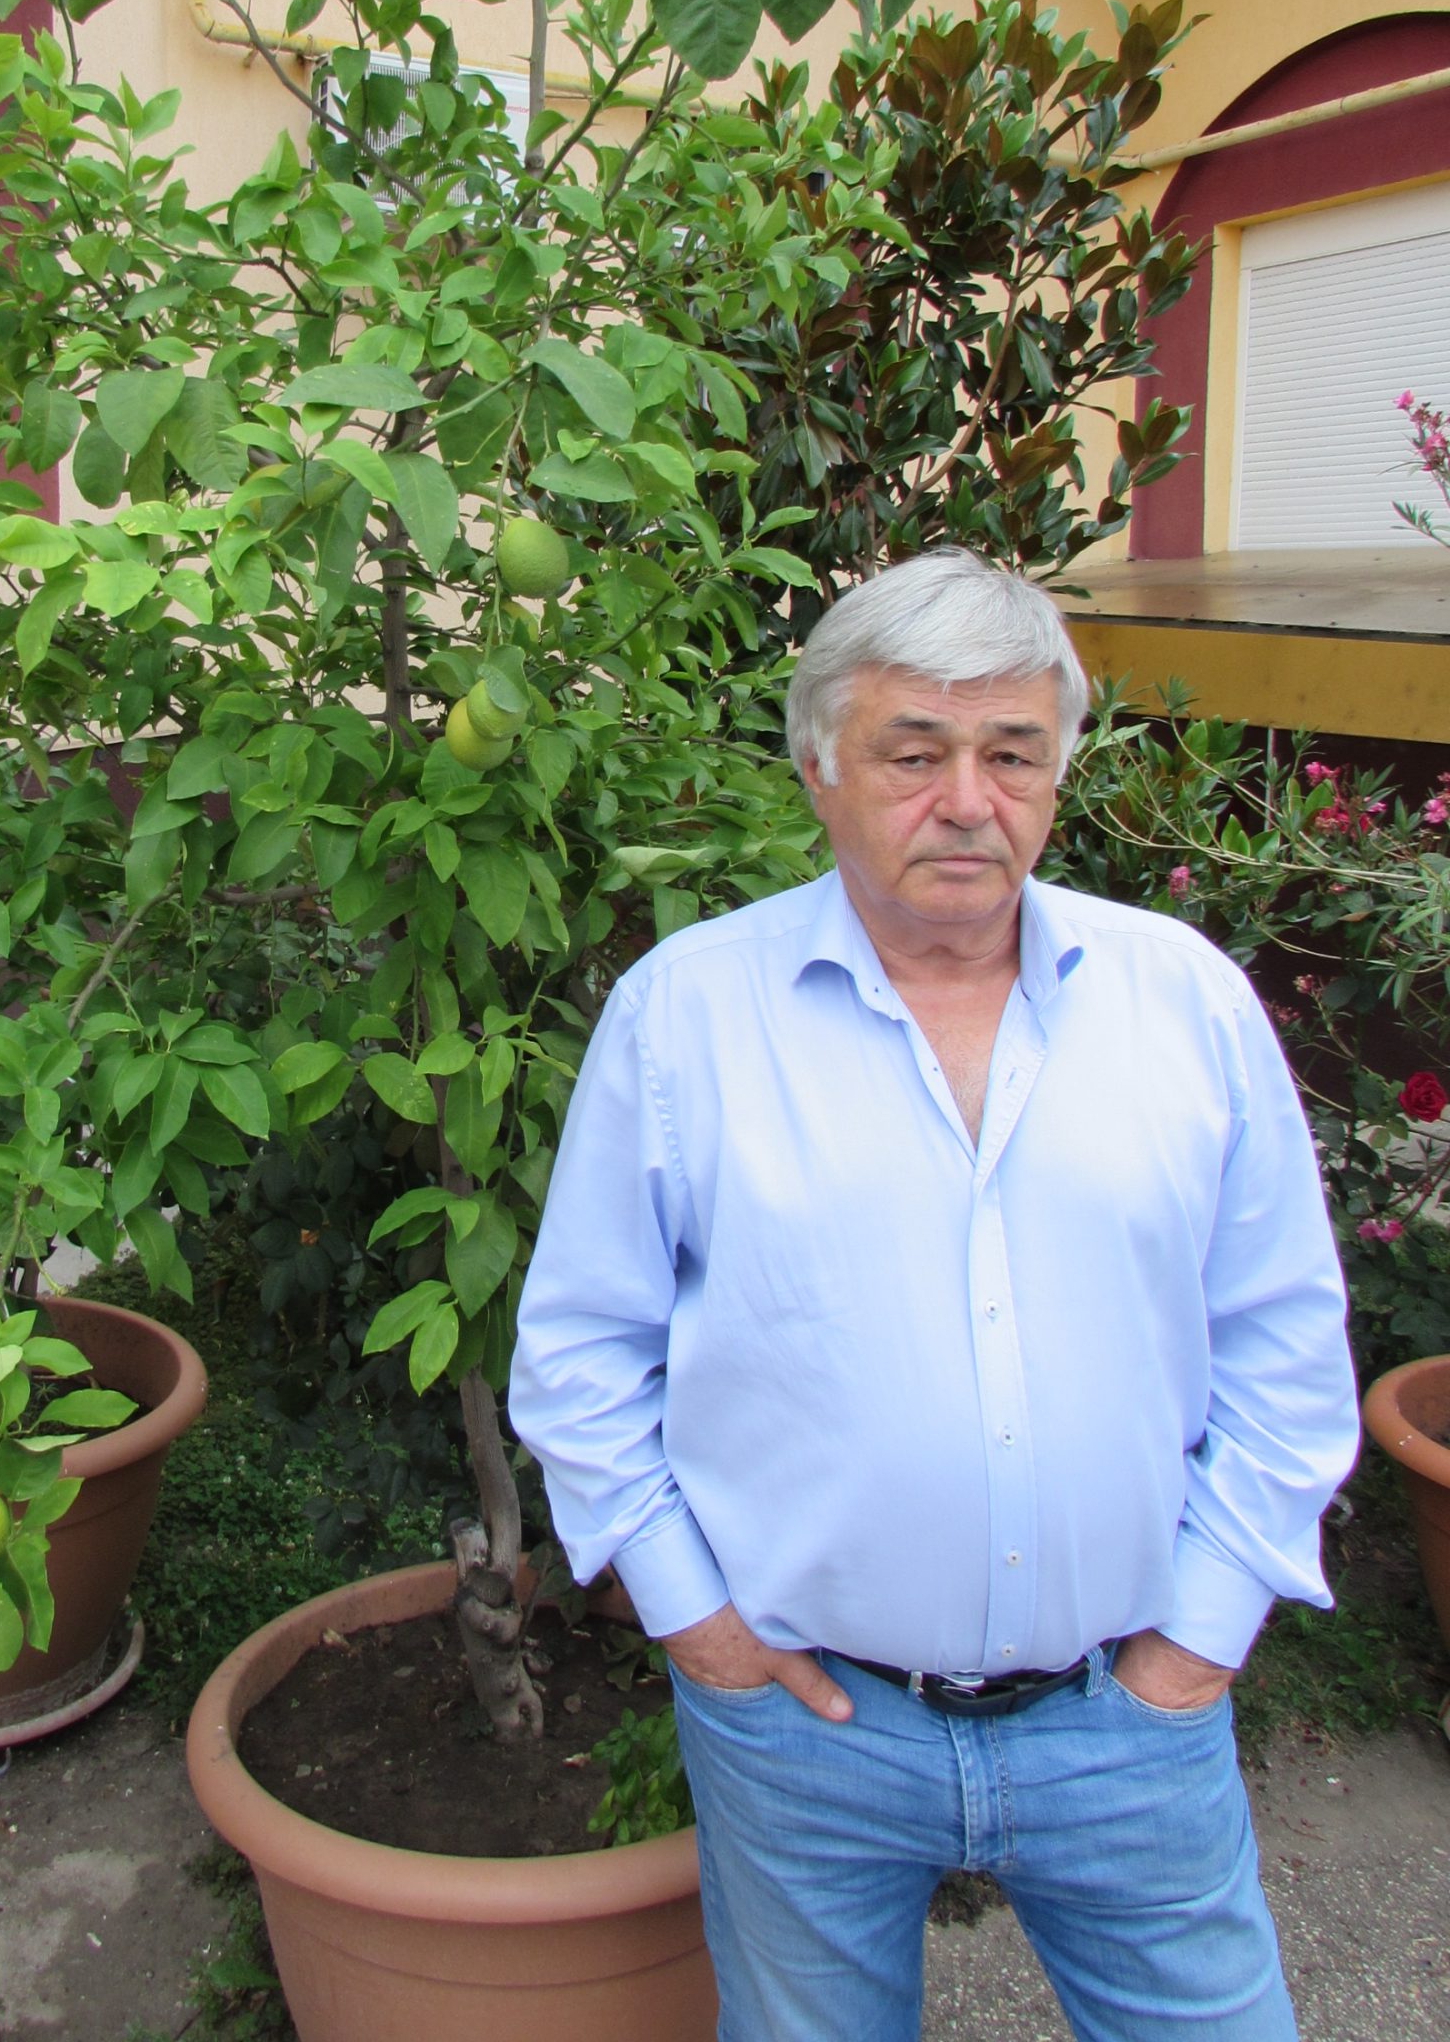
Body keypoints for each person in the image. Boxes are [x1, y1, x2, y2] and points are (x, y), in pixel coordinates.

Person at [509, 548, 1358, 2042]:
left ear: (1058, 770)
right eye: (915, 753)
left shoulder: (1184, 1002)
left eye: (1012, 753)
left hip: (1130, 1725)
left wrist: (1199, 1643)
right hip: (806, 1735)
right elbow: (581, 1352)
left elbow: (1285, 1341)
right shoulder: (686, 1017)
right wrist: (700, 1625)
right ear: (820, 767)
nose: (969, 800)